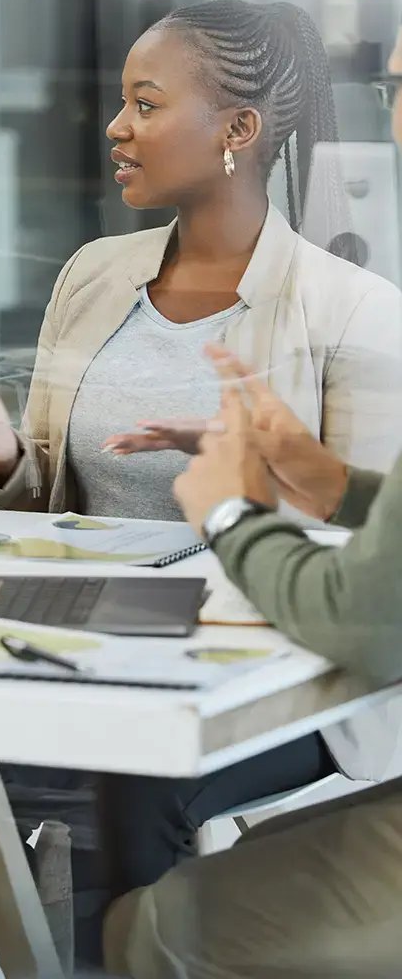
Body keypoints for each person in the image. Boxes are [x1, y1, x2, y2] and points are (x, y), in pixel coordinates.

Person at [0, 0, 402, 957]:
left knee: (120, 783)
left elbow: (371, 569)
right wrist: (10, 463)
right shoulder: (95, 275)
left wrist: (244, 494)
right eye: (121, 102)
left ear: (237, 132)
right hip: (98, 638)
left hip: (289, 674)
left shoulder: (352, 310)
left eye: (145, 104)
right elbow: (59, 501)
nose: (116, 127)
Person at [104, 339, 402, 978]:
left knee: (162, 924)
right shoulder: (95, 277)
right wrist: (337, 487)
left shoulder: (353, 307)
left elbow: (365, 623)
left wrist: (232, 516)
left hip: (332, 707)